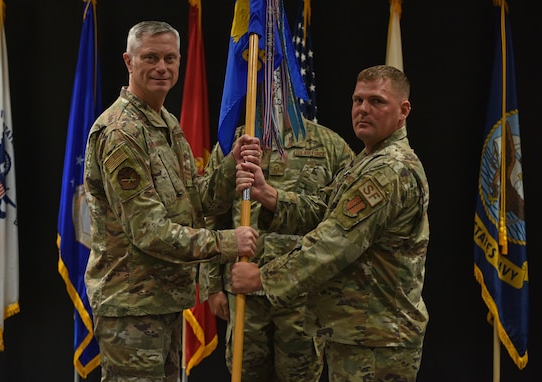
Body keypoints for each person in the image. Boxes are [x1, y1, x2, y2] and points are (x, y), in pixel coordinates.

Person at [83, 21, 260, 382]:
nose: (162, 67)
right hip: (130, 308)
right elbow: (149, 232)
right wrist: (227, 243)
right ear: (129, 62)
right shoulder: (122, 132)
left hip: (161, 299)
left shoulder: (165, 122)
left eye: (170, 58)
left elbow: (193, 204)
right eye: (150, 57)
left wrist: (230, 166)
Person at [231, 64, 430, 381]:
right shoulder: (368, 160)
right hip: (359, 332)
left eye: (377, 101)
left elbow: (333, 242)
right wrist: (268, 194)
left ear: (403, 110)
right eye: (358, 100)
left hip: (377, 339)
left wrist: (262, 278)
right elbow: (325, 208)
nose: (363, 109)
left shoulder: (389, 169)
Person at [203, 84, 354, 381]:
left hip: (301, 296)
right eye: (263, 84)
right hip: (245, 292)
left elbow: (340, 221)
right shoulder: (235, 143)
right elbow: (212, 213)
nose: (273, 91)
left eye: (279, 81)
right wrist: (212, 285)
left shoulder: (330, 146)